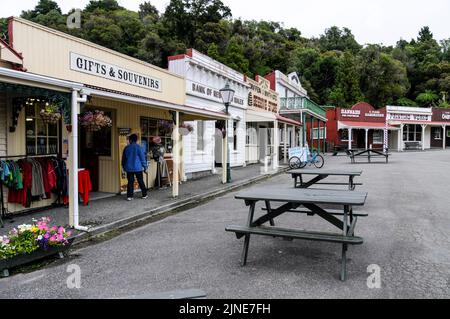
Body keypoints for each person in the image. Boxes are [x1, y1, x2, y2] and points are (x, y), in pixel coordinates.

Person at [122, 134, 148, 201]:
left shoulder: (126, 148)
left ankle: (129, 196)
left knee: (130, 182)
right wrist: (145, 167)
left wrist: (123, 167)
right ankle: (144, 194)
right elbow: (142, 158)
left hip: (129, 168)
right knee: (140, 181)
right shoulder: (139, 147)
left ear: (130, 140)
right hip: (138, 168)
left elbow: (124, 159)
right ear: (136, 140)